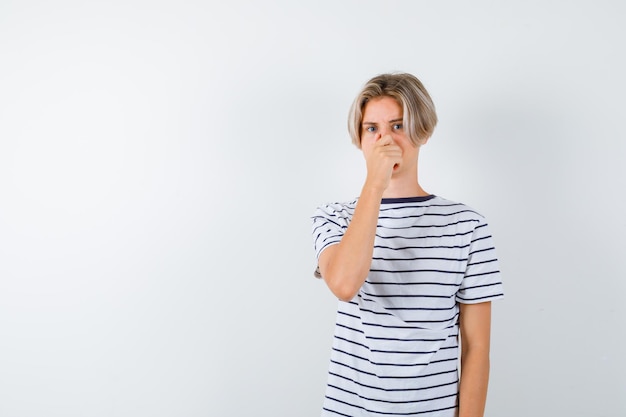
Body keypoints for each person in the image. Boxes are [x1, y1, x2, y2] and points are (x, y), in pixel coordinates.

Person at [311, 73, 504, 417]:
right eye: (372, 128)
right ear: (359, 138)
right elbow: (343, 284)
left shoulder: (467, 226)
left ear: (423, 131)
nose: (385, 139)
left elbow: (476, 348)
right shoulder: (334, 218)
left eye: (398, 126)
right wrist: (374, 185)